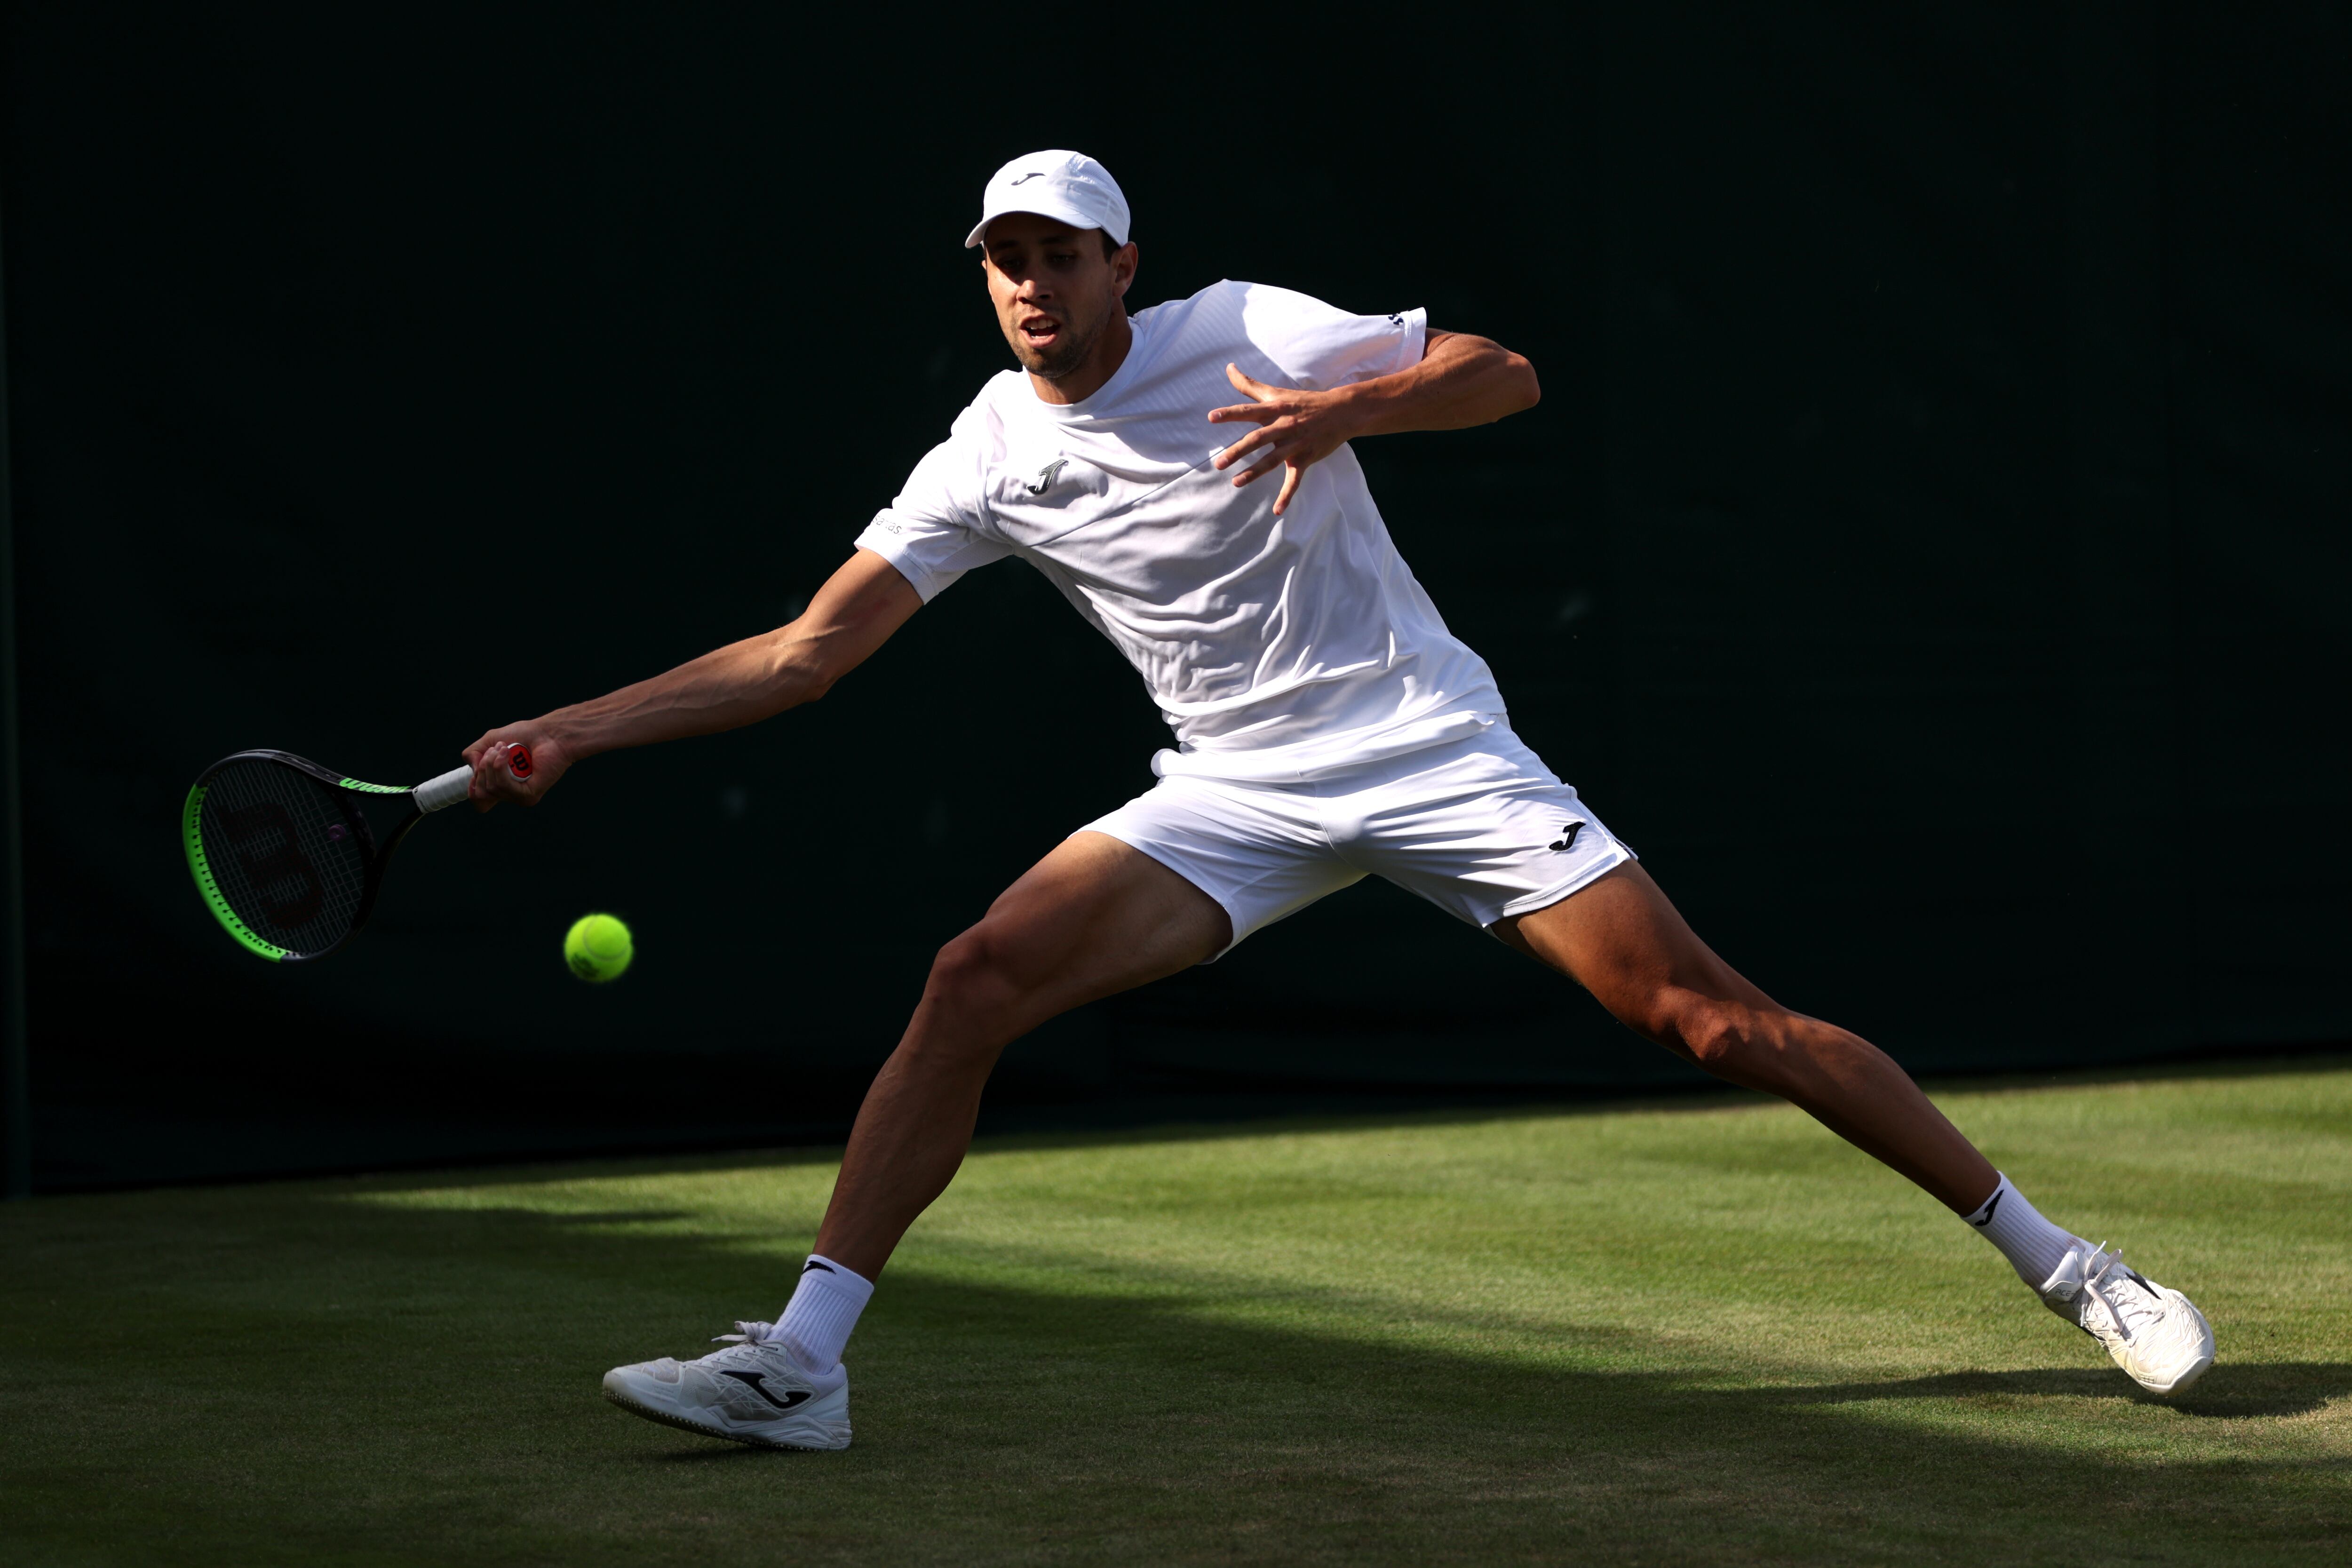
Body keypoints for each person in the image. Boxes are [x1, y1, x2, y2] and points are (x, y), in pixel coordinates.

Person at [459, 151, 2214, 1451]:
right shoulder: (989, 445)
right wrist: (573, 729)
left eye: (1057, 258)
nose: (1028, 290)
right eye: (1002, 264)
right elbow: (805, 656)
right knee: (973, 975)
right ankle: (806, 1363)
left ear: (1121, 262)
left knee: (1709, 1021)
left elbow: (1506, 373)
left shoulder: (1246, 330)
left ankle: (2074, 1271)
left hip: (1432, 750)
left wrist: (1344, 405)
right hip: (1232, 791)